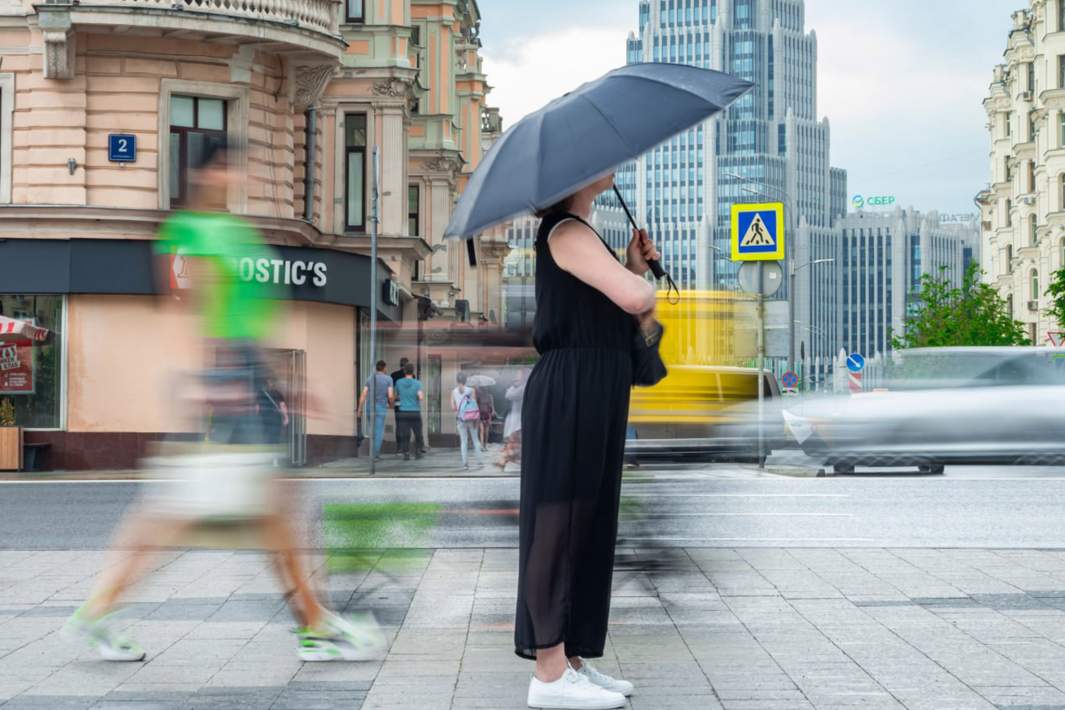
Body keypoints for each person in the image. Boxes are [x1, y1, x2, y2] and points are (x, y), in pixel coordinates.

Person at [64, 138, 386, 664]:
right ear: (205, 173)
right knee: (217, 514)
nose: (238, 179)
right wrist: (213, 378)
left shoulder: (234, 231)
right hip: (227, 378)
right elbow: (188, 305)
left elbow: (247, 312)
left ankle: (100, 612)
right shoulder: (188, 231)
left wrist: (282, 380)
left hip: (247, 376)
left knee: (251, 514)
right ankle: (313, 626)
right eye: (231, 169)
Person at [516, 172, 659, 710]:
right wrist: (639, 280)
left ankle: (573, 658)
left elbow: (617, 295)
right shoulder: (565, 231)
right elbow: (631, 297)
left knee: (588, 525)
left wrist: (634, 265)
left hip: (593, 388)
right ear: (573, 175)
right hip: (571, 389)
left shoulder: (583, 235)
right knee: (557, 526)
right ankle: (549, 673)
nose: (611, 164)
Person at [357, 360, 394, 460]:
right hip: (380, 408)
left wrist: (360, 408)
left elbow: (364, 394)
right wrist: (391, 404)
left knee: (371, 430)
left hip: (369, 407)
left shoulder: (370, 378)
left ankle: (373, 453)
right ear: (384, 368)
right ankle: (375, 454)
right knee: (379, 431)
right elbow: (390, 395)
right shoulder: (388, 379)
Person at [394, 362, 424, 461]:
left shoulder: (398, 382)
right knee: (418, 433)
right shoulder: (417, 383)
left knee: (405, 434)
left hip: (403, 412)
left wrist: (402, 397)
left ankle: (406, 453)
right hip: (415, 412)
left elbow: (395, 396)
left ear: (404, 371)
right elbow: (421, 397)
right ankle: (418, 452)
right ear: (413, 371)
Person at [498, 368, 527, 471]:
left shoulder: (523, 388)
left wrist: (512, 388)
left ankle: (506, 460)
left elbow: (509, 395)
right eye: (515, 378)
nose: (515, 379)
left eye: (518, 377)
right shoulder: (517, 387)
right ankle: (506, 461)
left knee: (514, 442)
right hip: (514, 419)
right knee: (513, 442)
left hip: (519, 420)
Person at [451, 372, 481, 470]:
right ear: (466, 380)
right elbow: (474, 405)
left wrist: (459, 412)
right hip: (472, 419)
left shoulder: (453, 392)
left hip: (460, 419)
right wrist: (477, 418)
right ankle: (479, 462)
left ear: (457, 380)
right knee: (475, 440)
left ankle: (465, 464)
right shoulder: (471, 390)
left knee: (463, 442)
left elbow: (453, 407)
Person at [390, 357, 409, 455]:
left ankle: (399, 448)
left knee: (398, 426)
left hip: (398, 404)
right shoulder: (411, 376)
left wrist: (392, 401)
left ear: (400, 364)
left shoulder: (393, 375)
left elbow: (390, 390)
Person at [476, 385, 496, 452]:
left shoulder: (489, 396)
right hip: (480, 414)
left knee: (486, 431)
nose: (484, 389)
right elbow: (476, 405)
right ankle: (482, 446)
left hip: (487, 414)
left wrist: (493, 411)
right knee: (482, 430)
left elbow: (492, 405)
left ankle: (485, 445)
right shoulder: (478, 396)